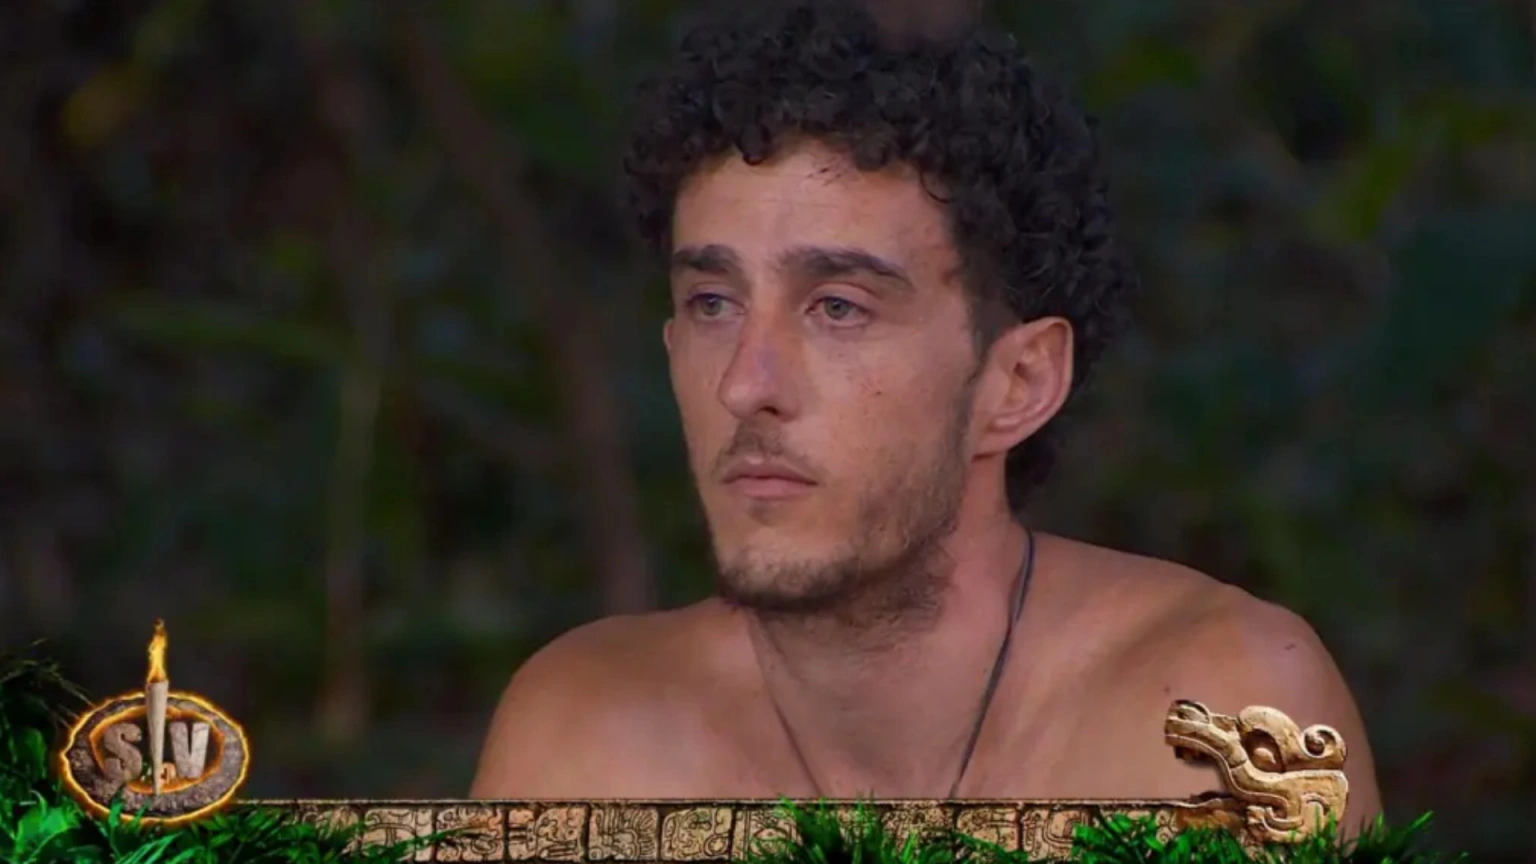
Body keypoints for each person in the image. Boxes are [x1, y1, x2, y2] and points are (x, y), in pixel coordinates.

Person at [469, 0, 1382, 828]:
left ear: (1017, 383)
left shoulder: (1216, 720)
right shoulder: (586, 738)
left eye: (839, 308)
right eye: (714, 302)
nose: (745, 384)